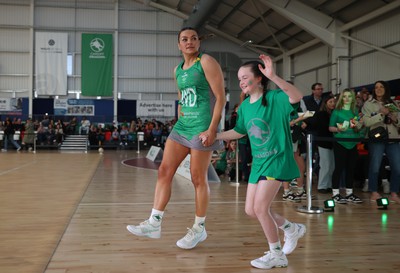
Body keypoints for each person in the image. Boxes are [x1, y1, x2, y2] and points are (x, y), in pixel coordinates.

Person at [126, 27, 226, 249]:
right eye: (184, 39)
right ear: (178, 45)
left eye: (193, 38)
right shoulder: (178, 70)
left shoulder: (206, 62)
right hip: (182, 127)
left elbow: (220, 98)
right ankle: (154, 222)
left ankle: (199, 228)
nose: (189, 42)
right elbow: (181, 99)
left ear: (198, 42)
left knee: (198, 178)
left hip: (201, 128)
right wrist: (179, 117)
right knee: (164, 171)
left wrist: (212, 129)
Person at [216, 55, 306, 269]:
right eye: (239, 79)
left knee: (261, 208)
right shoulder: (245, 107)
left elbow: (296, 96)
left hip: (277, 159)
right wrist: (215, 136)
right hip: (259, 162)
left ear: (259, 78)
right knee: (251, 210)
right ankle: (291, 228)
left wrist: (273, 76)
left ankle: (277, 254)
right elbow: (239, 132)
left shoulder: (275, 98)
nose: (241, 82)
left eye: (245, 77)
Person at [361, 80, 400, 204]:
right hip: (376, 139)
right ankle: (374, 191)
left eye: (381, 87)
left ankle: (394, 193)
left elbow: (399, 122)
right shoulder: (368, 104)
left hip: (393, 138)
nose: (378, 89)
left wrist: (395, 119)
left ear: (386, 89)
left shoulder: (393, 103)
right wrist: (380, 114)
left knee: (397, 167)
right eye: (376, 87)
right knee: (375, 166)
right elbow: (366, 122)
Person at [329, 89, 364, 204]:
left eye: (349, 96)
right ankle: (335, 194)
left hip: (353, 143)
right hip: (340, 142)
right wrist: (338, 129)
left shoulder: (355, 111)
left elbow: (357, 127)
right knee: (338, 168)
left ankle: (349, 193)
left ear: (353, 98)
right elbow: (330, 128)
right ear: (341, 98)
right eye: (345, 96)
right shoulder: (337, 111)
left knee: (351, 168)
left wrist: (358, 125)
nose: (347, 98)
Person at [314, 95, 336, 193]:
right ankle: (322, 185)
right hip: (323, 142)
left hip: (332, 143)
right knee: (325, 165)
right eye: (330, 102)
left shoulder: (333, 114)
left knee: (331, 165)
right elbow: (323, 128)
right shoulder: (322, 114)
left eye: (333, 102)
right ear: (326, 103)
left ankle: (329, 185)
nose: (332, 104)